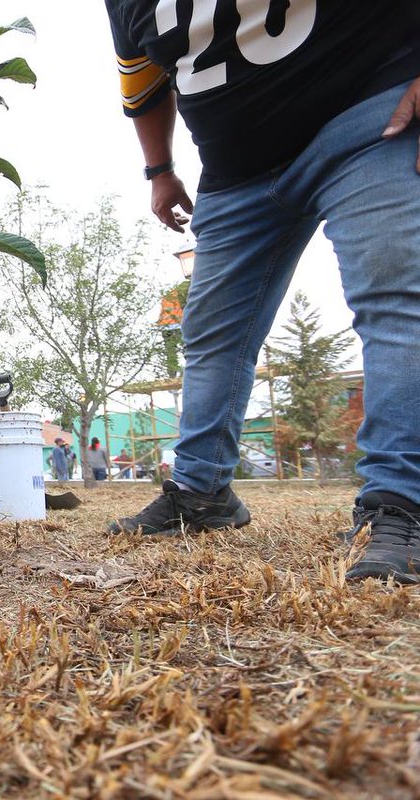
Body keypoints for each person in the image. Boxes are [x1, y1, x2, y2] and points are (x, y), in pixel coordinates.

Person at [103, 2, 420, 583]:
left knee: (395, 295)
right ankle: (201, 494)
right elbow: (143, 80)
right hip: (232, 168)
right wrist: (160, 171)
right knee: (210, 334)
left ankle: (399, 503)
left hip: (370, 116)